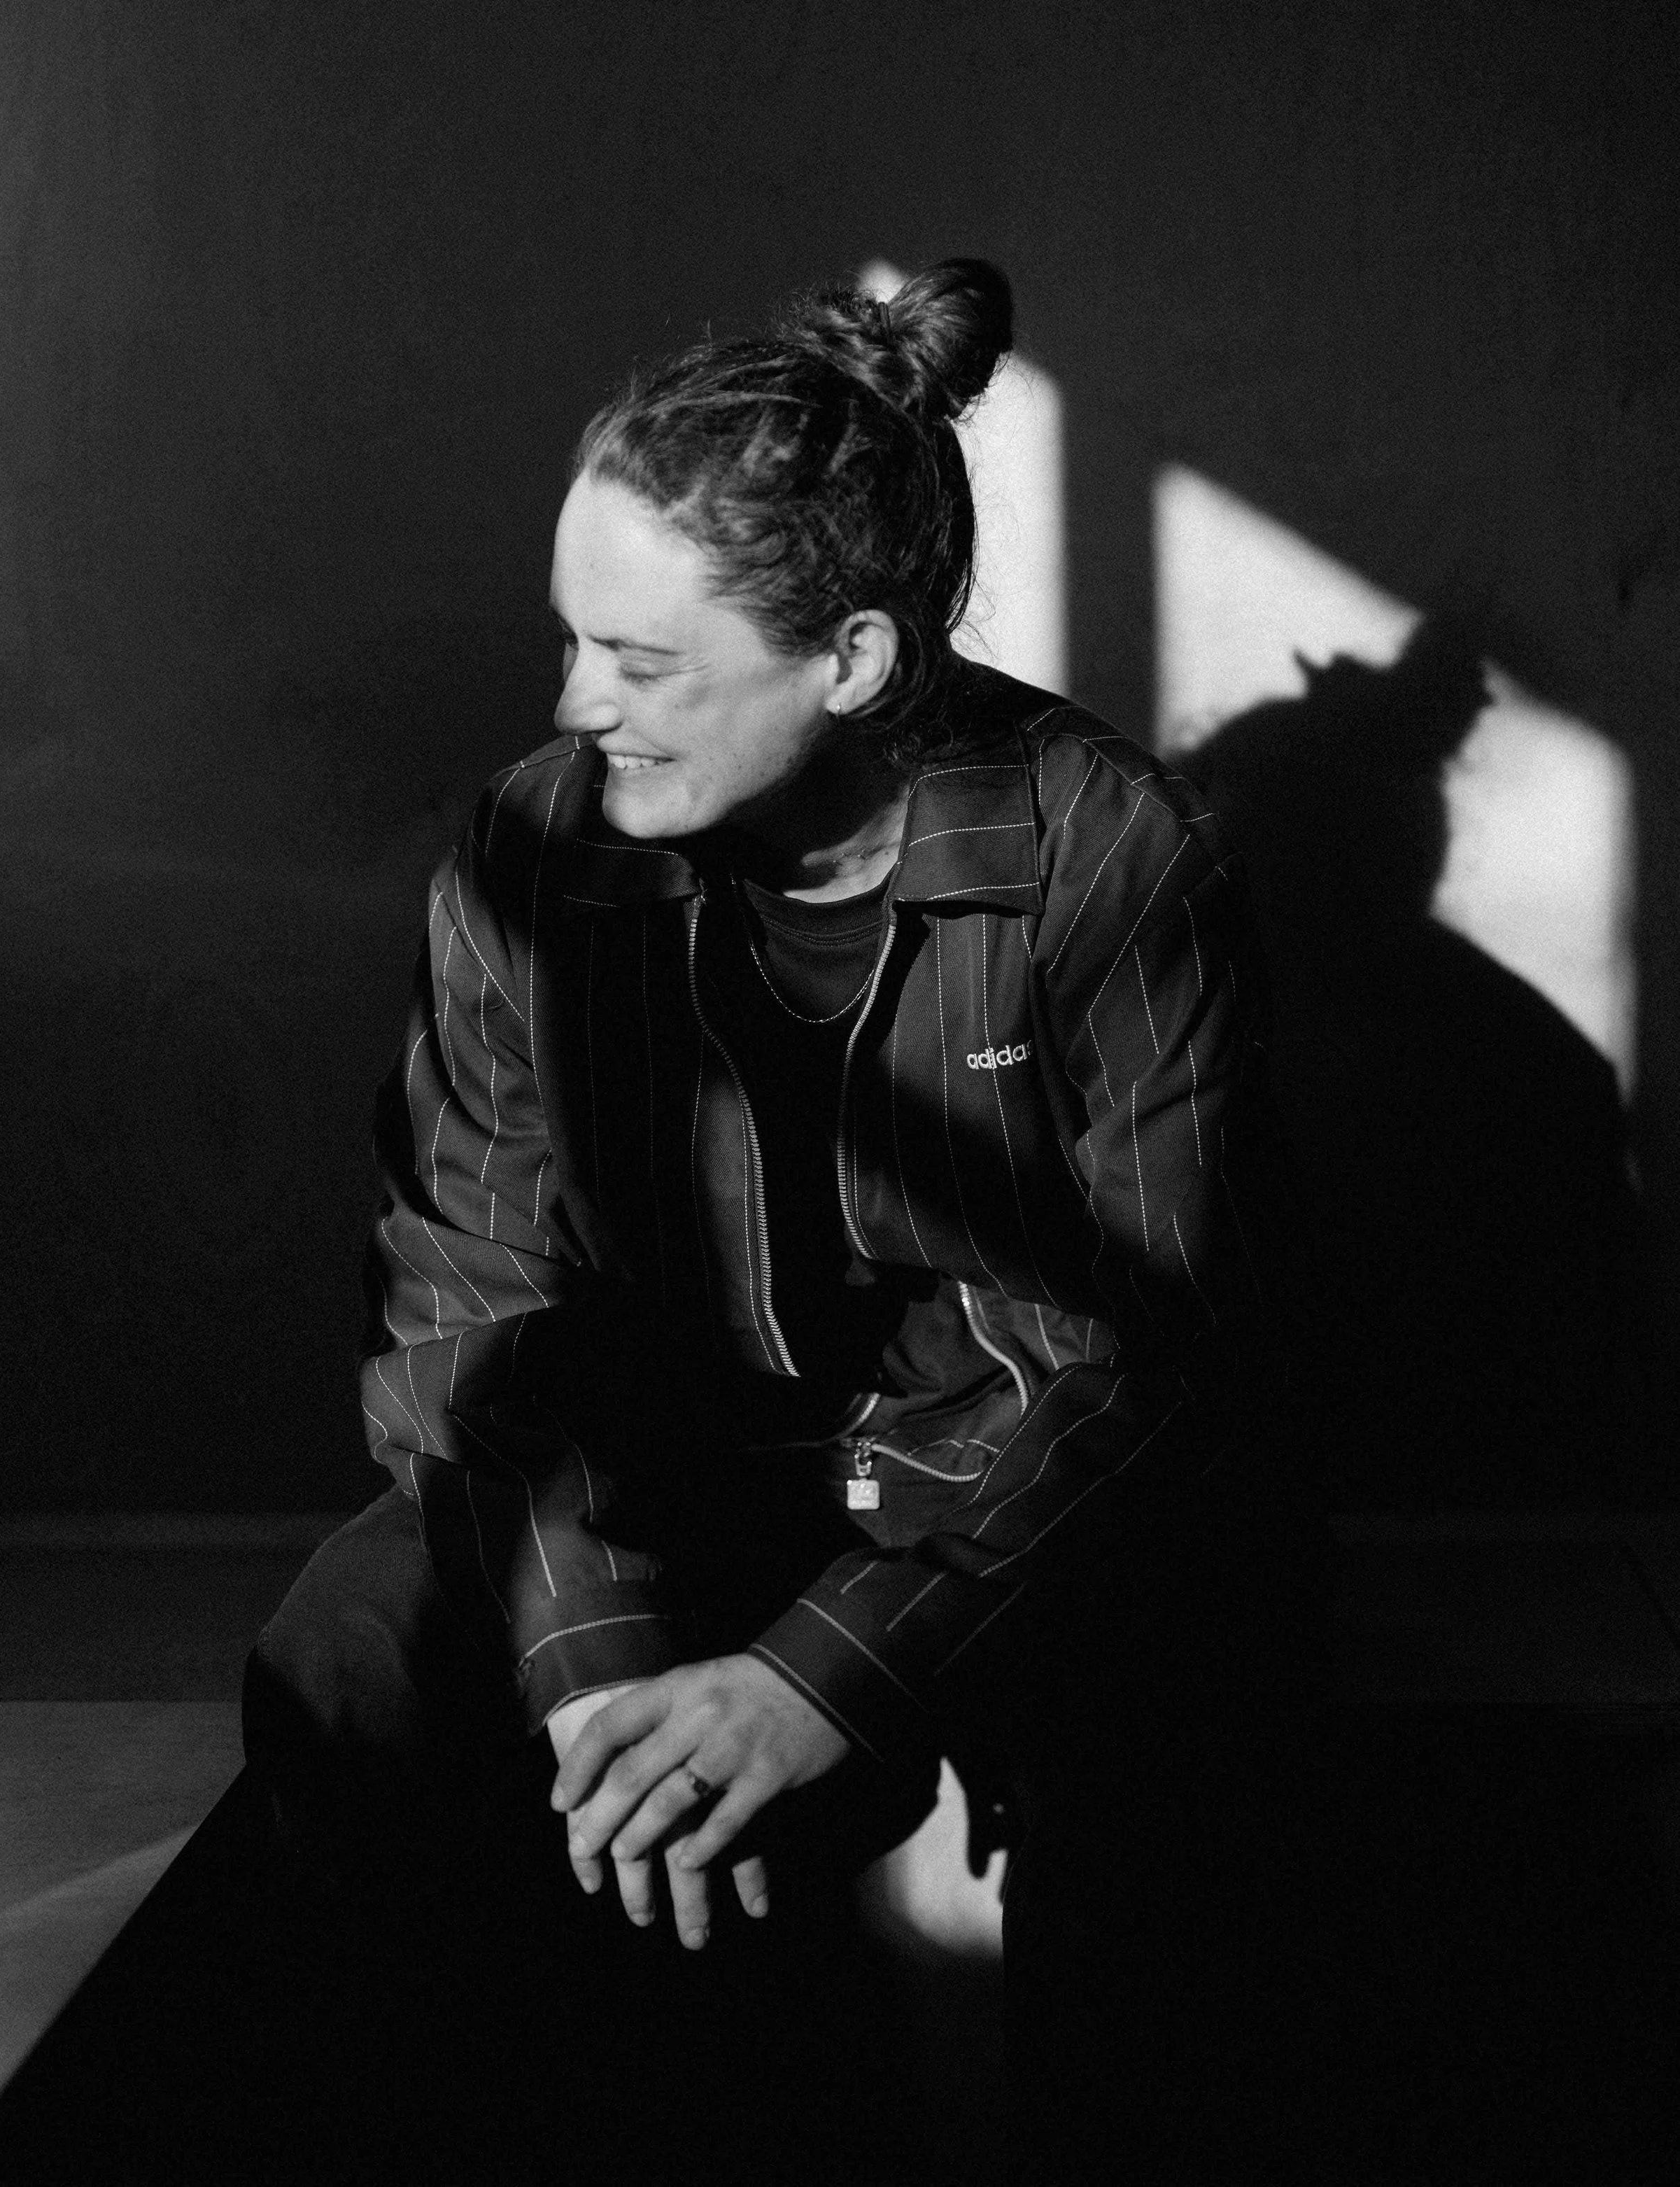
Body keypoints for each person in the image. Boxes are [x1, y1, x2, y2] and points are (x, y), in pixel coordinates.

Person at [243, 258, 1324, 2185]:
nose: (577, 705)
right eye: (574, 640)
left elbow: (1144, 1351)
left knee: (1186, 1743)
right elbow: (469, 1292)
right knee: (354, 1655)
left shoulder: (1114, 853)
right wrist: (594, 1674)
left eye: (644, 665)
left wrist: (831, 1669)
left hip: (1007, 1488)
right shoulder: (528, 845)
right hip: (667, 1465)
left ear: (852, 659)